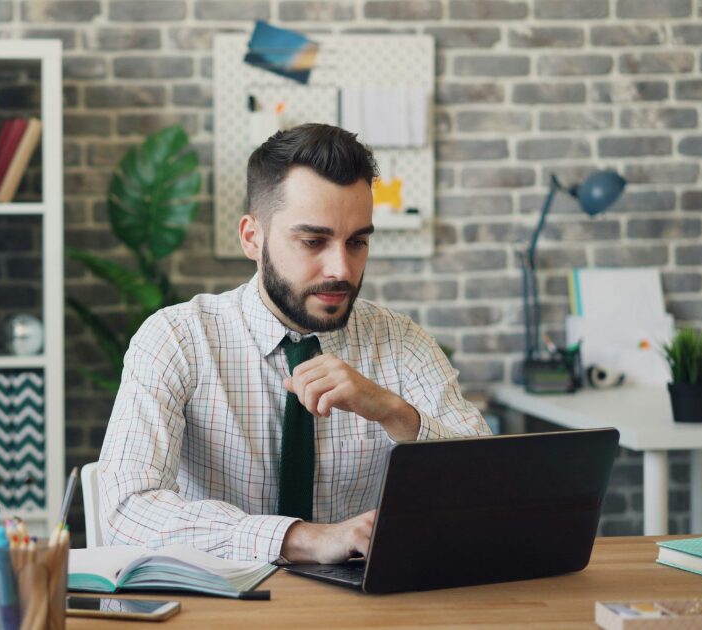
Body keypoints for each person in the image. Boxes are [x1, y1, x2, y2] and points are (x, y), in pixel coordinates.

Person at [96, 123, 491, 565]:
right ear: (252, 237)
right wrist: (301, 538)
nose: (341, 268)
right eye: (313, 241)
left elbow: (487, 490)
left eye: (357, 241)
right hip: (219, 606)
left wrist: (394, 412)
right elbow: (126, 511)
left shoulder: (403, 343)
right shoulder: (178, 338)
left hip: (362, 611)